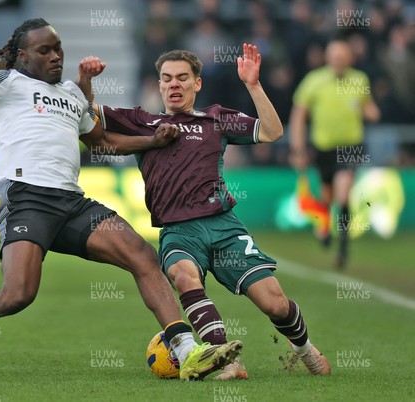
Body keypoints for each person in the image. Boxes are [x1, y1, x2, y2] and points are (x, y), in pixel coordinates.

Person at [0, 18, 242, 381]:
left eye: (58, 48)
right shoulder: (4, 81)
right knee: (17, 295)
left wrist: (151, 140)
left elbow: (102, 142)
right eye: (45, 51)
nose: (55, 56)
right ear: (24, 57)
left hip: (72, 203)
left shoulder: (73, 94)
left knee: (142, 255)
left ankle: (187, 349)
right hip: (26, 197)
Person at [82, 45, 331, 379]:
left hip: (223, 226)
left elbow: (272, 131)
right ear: (158, 85)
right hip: (178, 231)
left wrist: (254, 86)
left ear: (196, 84)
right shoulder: (143, 122)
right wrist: (85, 79)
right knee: (183, 276)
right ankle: (228, 361)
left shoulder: (216, 118)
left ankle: (305, 350)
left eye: (182, 78)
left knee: (274, 302)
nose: (174, 84)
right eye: (167, 78)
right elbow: (86, 113)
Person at [289, 39, 380, 268]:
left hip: (351, 147)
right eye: (335, 56)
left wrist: (372, 112)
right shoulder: (314, 81)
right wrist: (298, 149)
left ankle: (343, 247)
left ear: (350, 58)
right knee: (327, 196)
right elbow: (299, 116)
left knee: (343, 192)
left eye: (343, 57)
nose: (339, 61)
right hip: (324, 148)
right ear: (328, 58)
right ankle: (326, 227)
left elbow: (369, 108)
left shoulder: (359, 80)